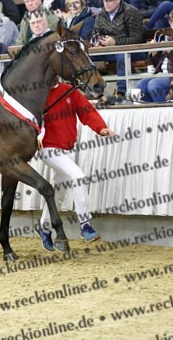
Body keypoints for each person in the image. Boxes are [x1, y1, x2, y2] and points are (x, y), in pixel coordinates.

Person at [33, 77, 116, 248]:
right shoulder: (38, 93)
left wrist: (100, 127)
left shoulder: (69, 91)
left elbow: (87, 111)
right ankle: (85, 224)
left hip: (67, 149)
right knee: (78, 176)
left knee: (59, 191)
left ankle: (44, 227)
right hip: (48, 148)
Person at [91, 0, 145, 99]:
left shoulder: (131, 12)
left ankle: (121, 92)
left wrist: (116, 42)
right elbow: (95, 33)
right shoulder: (101, 14)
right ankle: (94, 91)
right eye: (104, 0)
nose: (107, 3)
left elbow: (137, 39)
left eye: (110, 0)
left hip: (133, 50)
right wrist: (96, 42)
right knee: (87, 57)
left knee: (121, 55)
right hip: (109, 50)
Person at [136, 7, 173, 102]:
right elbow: (159, 65)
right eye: (171, 23)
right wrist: (155, 54)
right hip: (163, 73)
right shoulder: (171, 39)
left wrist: (170, 52)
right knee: (140, 85)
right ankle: (153, 108)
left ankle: (166, 107)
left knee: (154, 84)